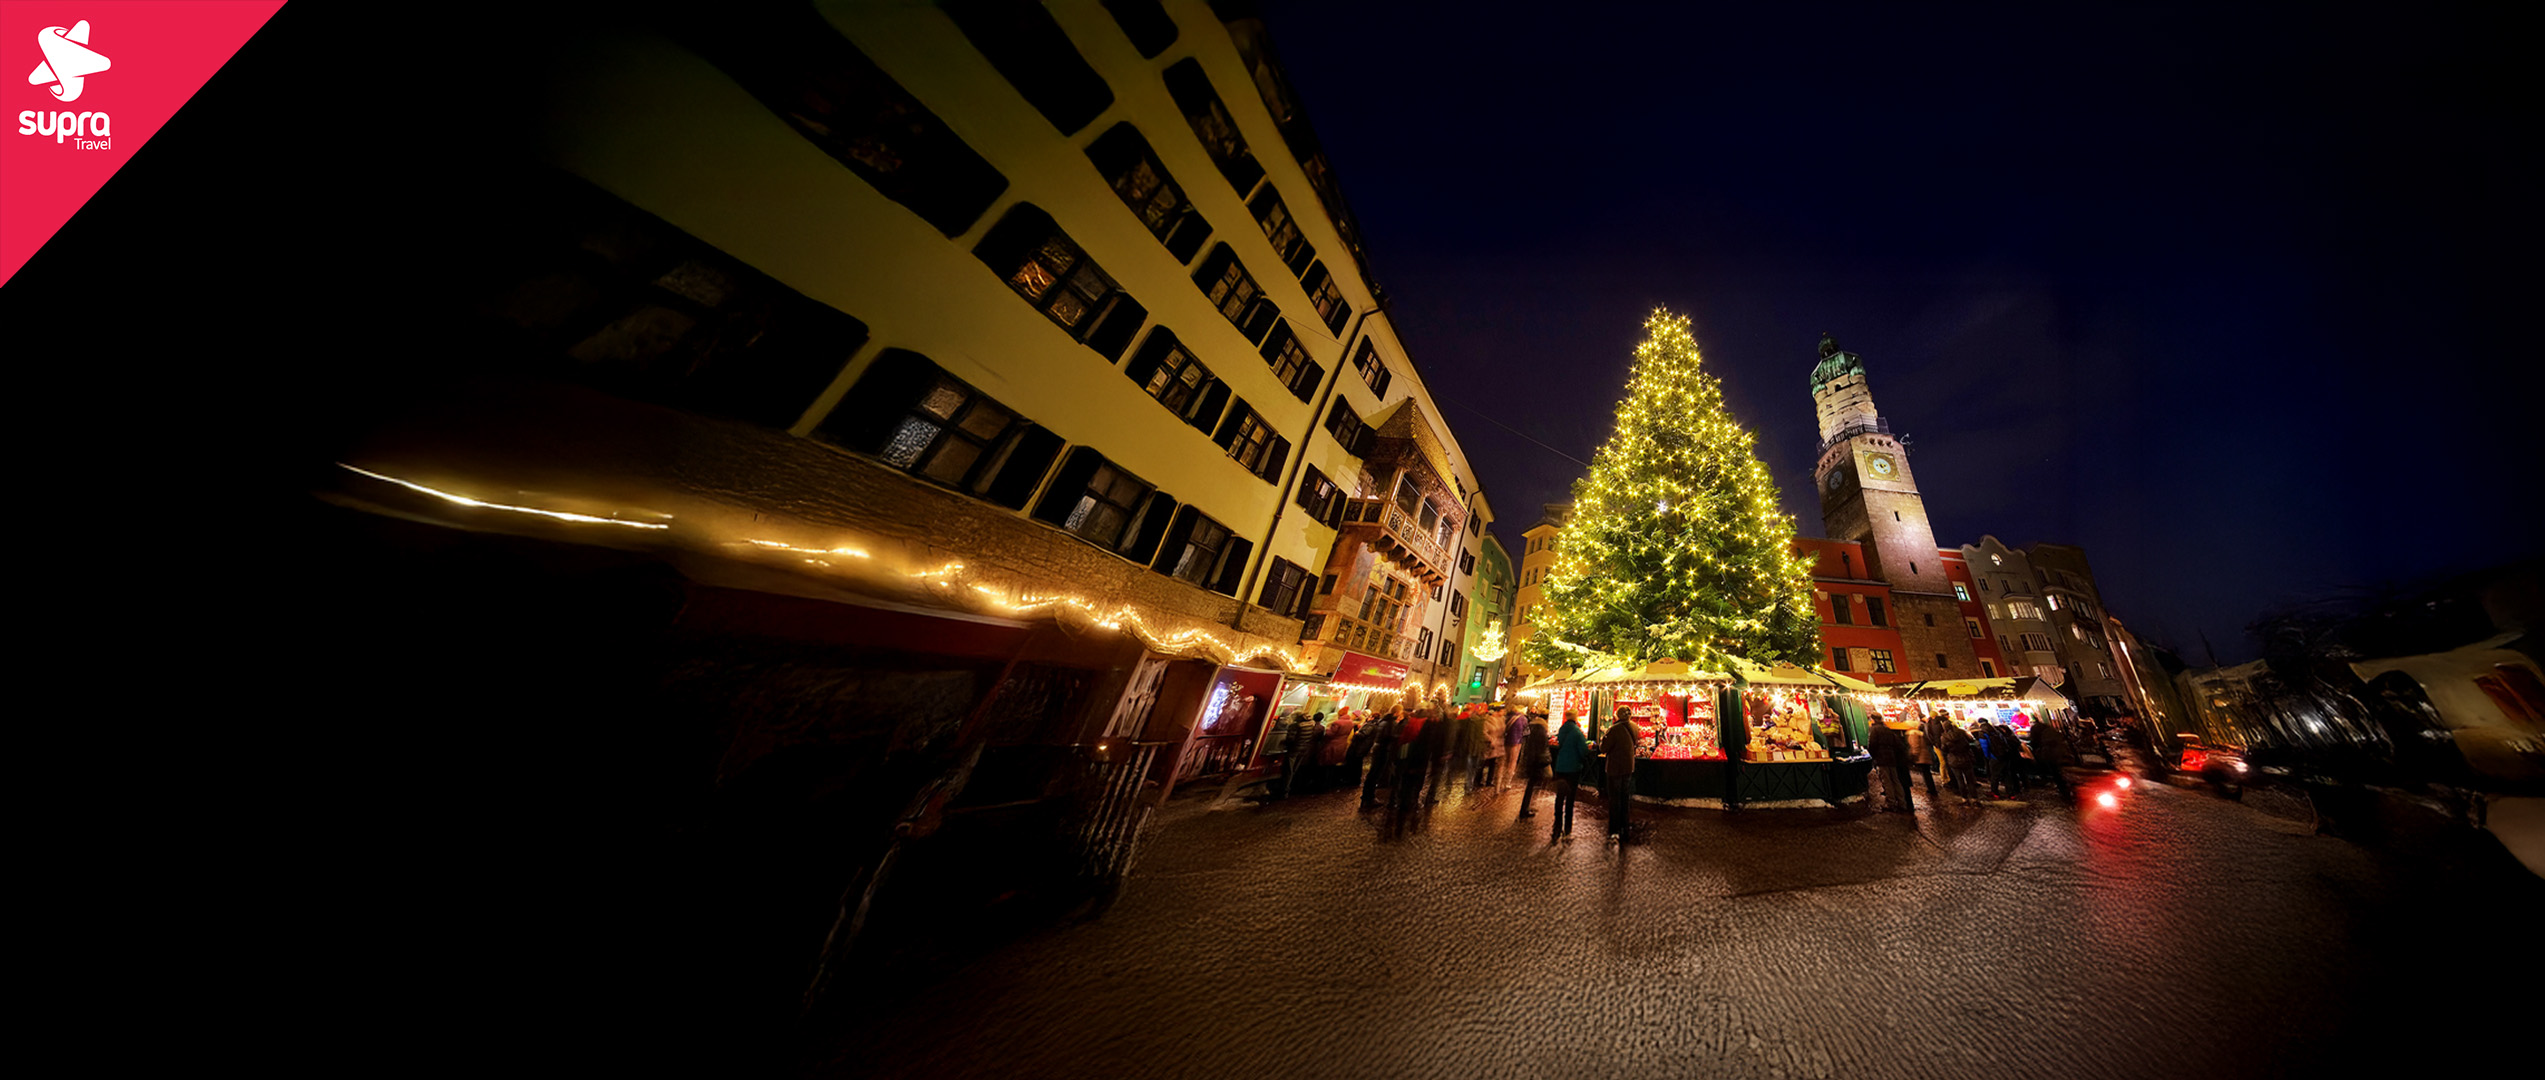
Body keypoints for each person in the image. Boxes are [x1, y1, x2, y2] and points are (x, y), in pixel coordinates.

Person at [1603, 707, 1639, 843]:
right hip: (1628, 767)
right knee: (1625, 798)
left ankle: (1614, 830)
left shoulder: (1614, 729)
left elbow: (1603, 747)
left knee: (1614, 799)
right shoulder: (1635, 727)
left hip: (1615, 768)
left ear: (1618, 715)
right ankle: (1625, 826)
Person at [1551, 712, 1589, 839]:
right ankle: (1567, 829)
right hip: (1573, 768)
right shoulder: (1577, 732)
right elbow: (1583, 750)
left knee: (1559, 797)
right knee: (1570, 799)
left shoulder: (1562, 730)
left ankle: (1557, 827)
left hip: (1560, 766)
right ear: (1575, 718)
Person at [1868, 720, 1913, 812]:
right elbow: (1899, 745)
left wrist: (1874, 756)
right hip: (1892, 759)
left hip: (1882, 759)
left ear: (1873, 720)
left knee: (1887, 781)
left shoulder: (1874, 730)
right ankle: (1902, 802)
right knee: (1895, 780)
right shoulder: (1888, 730)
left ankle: (1891, 803)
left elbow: (1872, 744)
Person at [2028, 716, 2076, 798]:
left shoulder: (2039, 733)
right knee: (2062, 772)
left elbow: (2034, 742)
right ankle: (2068, 790)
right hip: (2060, 754)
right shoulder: (2051, 731)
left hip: (2050, 755)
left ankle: (2064, 791)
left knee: (2056, 773)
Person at [1359, 710, 1399, 809]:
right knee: (1375, 773)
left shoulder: (1383, 721)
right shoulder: (1390, 724)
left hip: (1378, 748)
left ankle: (1366, 796)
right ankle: (1369, 797)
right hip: (1383, 750)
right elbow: (1389, 737)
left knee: (1373, 773)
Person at [1517, 710, 1550, 819]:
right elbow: (1542, 748)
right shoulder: (1541, 730)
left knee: (1531, 785)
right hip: (1536, 761)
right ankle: (1525, 809)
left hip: (1530, 759)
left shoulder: (1531, 727)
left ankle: (1527, 807)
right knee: (1533, 785)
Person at [1904, 717, 1937, 800]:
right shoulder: (1920, 733)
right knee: (1927, 773)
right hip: (1925, 755)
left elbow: (1915, 746)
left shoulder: (1913, 734)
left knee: (1926, 774)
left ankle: (1932, 790)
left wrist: (1913, 756)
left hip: (1921, 757)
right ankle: (1932, 789)